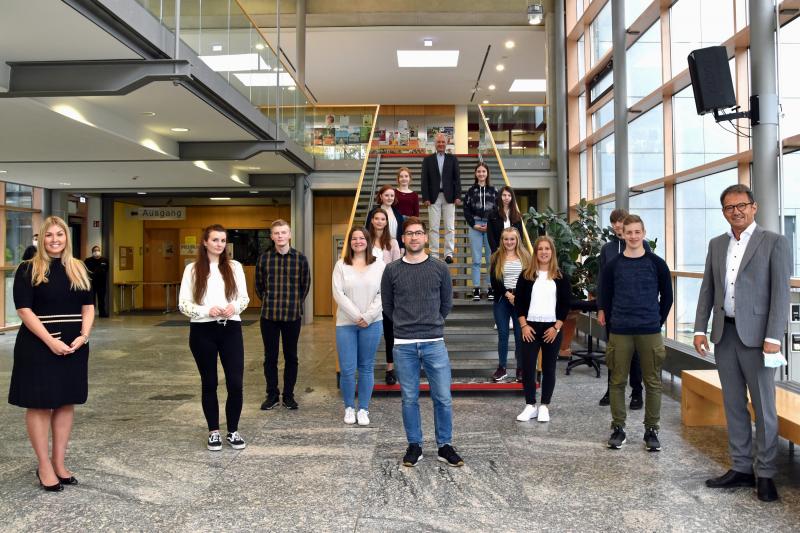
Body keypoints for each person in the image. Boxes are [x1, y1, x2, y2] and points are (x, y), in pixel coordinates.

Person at [693, 184, 790, 503]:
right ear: (723, 212)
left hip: (760, 339)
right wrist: (698, 329)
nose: (736, 211)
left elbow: (780, 294)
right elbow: (708, 289)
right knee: (733, 404)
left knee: (764, 408)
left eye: (741, 205)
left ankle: (765, 474)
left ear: (754, 207)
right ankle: (741, 468)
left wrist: (774, 337)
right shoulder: (717, 244)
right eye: (729, 207)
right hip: (725, 335)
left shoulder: (774, 242)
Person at [9, 216, 94, 491]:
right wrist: (49, 341)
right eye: (49, 235)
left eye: (60, 234)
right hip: (38, 344)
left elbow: (88, 306)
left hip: (74, 344)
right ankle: (43, 466)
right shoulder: (27, 269)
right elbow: (24, 310)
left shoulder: (78, 268)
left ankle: (59, 462)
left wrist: (84, 335)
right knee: (40, 403)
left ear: (67, 238)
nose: (55, 240)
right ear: (41, 238)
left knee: (66, 402)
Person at [381, 216, 464, 467]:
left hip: (434, 341)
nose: (414, 237)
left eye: (418, 233)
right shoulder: (392, 270)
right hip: (404, 344)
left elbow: (446, 303)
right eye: (410, 233)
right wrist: (403, 323)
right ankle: (414, 445)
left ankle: (444, 445)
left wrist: (434, 321)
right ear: (403, 238)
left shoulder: (439, 268)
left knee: (442, 397)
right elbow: (387, 305)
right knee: (409, 398)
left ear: (426, 237)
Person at [598, 215, 672, 452]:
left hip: (649, 330)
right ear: (622, 234)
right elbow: (606, 296)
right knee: (617, 381)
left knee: (653, 382)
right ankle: (618, 428)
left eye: (637, 232)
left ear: (643, 233)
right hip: (620, 330)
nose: (632, 236)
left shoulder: (657, 263)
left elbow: (667, 298)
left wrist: (654, 321)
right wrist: (615, 320)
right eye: (628, 232)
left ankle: (652, 430)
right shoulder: (613, 265)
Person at [179, 224, 249, 451]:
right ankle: (214, 432)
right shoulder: (192, 269)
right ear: (205, 242)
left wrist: (234, 307)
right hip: (202, 331)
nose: (219, 244)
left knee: (235, 383)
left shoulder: (235, 267)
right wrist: (205, 311)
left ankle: (233, 431)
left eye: (222, 240)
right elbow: (183, 304)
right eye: (215, 240)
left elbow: (244, 298)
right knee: (209, 382)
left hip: (230, 329)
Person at [513, 236, 571, 423]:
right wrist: (523, 326)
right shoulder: (526, 275)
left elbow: (565, 305)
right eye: (540, 249)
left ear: (552, 253)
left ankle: (544, 406)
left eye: (547, 249)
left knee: (549, 367)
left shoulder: (560, 277)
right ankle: (530, 405)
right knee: (528, 367)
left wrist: (556, 327)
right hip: (529, 327)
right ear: (535, 252)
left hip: (552, 328)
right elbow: (519, 303)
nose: (544, 252)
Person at [255, 219, 311, 411]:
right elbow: (258, 286)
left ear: (289, 235)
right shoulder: (264, 259)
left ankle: (288, 395)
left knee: (291, 357)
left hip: (292, 316)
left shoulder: (300, 259)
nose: (280, 236)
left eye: (283, 232)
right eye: (276, 233)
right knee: (269, 357)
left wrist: (294, 302)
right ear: (272, 236)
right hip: (269, 316)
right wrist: (269, 301)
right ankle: (271, 395)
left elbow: (305, 285)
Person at [332, 227, 385, 426]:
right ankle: (348, 407)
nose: (358, 241)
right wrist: (356, 316)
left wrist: (369, 316)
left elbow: (384, 292)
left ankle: (363, 408)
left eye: (361, 238)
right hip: (346, 323)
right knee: (347, 369)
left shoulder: (379, 265)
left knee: (365, 367)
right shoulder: (341, 265)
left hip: (372, 323)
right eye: (354, 238)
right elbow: (338, 294)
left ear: (368, 240)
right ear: (349, 242)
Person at [596, 208, 648, 409]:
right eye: (614, 222)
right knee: (613, 352)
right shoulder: (607, 249)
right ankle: (611, 390)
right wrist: (601, 308)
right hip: (613, 310)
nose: (617, 225)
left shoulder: (643, 246)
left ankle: (637, 392)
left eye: (620, 221)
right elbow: (602, 281)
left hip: (635, 310)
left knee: (635, 353)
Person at [489, 227, 531, 382]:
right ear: (502, 240)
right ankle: (502, 368)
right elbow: (494, 281)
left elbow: (528, 279)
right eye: (506, 239)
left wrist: (518, 296)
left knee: (521, 336)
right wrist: (508, 294)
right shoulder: (496, 257)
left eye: (512, 239)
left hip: (520, 300)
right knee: (503, 335)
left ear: (517, 239)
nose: (509, 242)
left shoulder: (526, 256)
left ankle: (521, 369)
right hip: (502, 299)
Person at [367, 208, 401, 385]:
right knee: (369, 332)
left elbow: (397, 268)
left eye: (383, 219)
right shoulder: (365, 241)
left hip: (388, 294)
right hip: (368, 293)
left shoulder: (393, 243)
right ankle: (366, 368)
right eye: (377, 218)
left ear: (387, 222)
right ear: (372, 221)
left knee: (389, 334)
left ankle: (390, 368)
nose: (380, 221)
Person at [421, 132, 462, 262]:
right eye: (438, 142)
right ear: (435, 144)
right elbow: (424, 180)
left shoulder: (452, 159)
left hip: (449, 197)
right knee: (434, 227)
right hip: (433, 197)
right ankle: (433, 253)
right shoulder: (428, 160)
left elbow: (457, 179)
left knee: (450, 227)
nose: (441, 144)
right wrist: (425, 197)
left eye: (443, 142)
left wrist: (457, 196)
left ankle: (448, 254)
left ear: (446, 143)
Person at [463, 162, 498, 301]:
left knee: (490, 260)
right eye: (479, 171)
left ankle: (490, 288)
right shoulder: (471, 191)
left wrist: (491, 224)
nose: (481, 174)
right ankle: (476, 288)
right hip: (475, 227)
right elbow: (466, 210)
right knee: (476, 260)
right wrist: (473, 224)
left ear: (487, 173)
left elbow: (498, 210)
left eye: (484, 171)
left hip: (490, 228)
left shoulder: (494, 191)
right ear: (476, 174)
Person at [487, 185, 524, 253]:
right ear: (500, 196)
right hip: (498, 251)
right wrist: (495, 250)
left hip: (514, 252)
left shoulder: (517, 215)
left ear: (512, 198)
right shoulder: (492, 215)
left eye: (509, 195)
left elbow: (520, 235)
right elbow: (490, 236)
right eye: (504, 195)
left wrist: (518, 250)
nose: (506, 197)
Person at [84, 245, 110, 318]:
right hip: (92, 283)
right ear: (92, 252)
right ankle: (91, 314)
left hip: (102, 283)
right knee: (91, 300)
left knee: (101, 299)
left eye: (98, 250)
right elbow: (85, 270)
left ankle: (102, 313)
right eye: (95, 251)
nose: (96, 252)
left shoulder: (105, 260)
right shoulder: (88, 261)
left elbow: (107, 269)